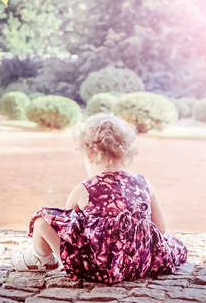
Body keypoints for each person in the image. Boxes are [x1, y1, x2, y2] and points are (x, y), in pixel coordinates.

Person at [11, 113, 187, 284]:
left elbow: (70, 233)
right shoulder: (144, 184)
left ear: (88, 155)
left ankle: (43, 258)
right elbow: (161, 229)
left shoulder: (84, 190)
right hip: (140, 262)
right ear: (127, 152)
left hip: (99, 268)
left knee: (42, 222)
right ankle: (44, 258)